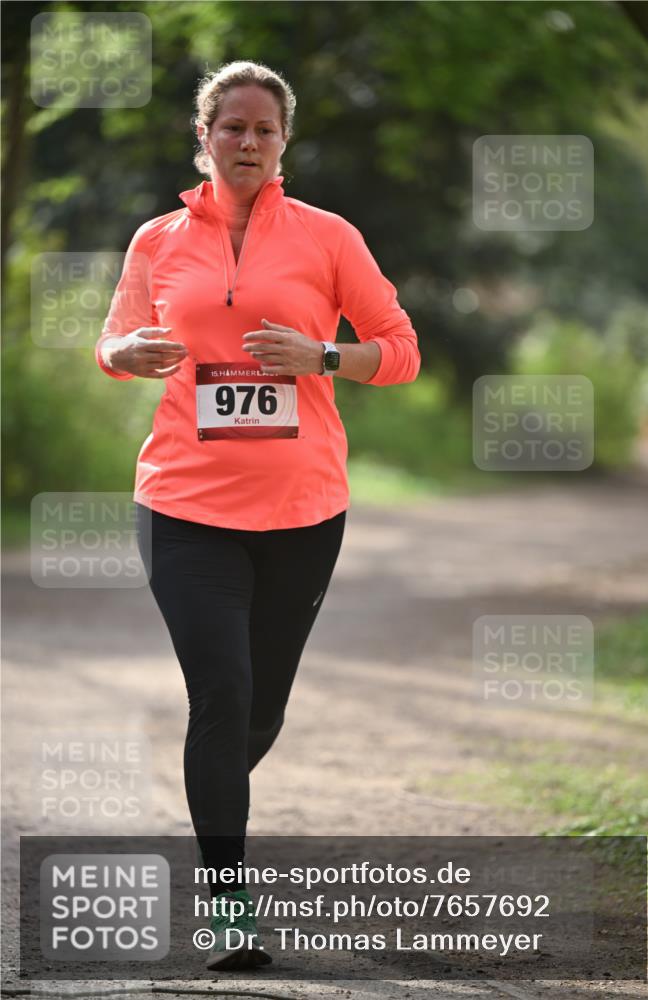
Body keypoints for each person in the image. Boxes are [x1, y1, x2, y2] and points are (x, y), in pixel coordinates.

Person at [94, 60, 420, 972]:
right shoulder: (156, 240)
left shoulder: (328, 238)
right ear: (203, 137)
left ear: (284, 144)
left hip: (303, 510)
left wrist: (322, 355)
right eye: (229, 127)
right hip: (183, 503)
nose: (246, 142)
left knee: (258, 714)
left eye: (263, 130)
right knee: (222, 692)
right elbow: (113, 343)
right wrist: (123, 349)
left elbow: (399, 352)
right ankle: (227, 903)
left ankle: (211, 802)